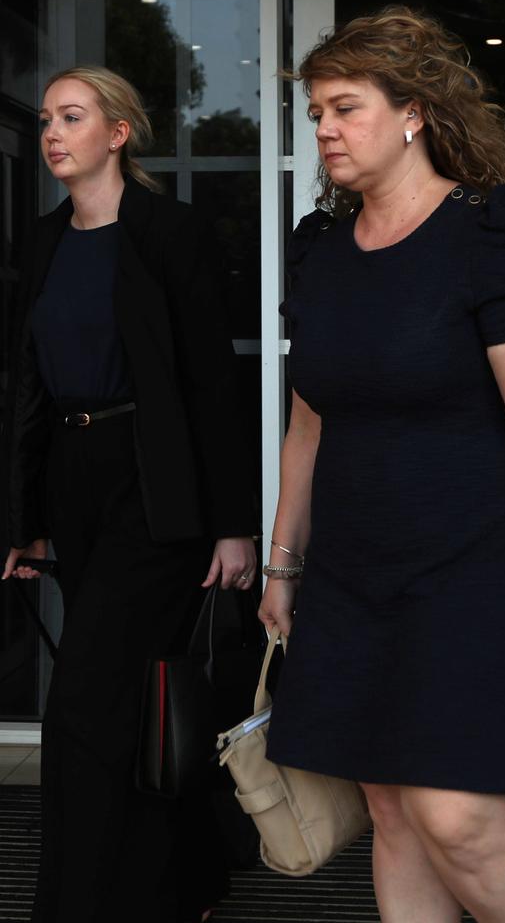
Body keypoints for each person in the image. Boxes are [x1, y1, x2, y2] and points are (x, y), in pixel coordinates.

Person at [258, 7, 505, 923]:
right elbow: (307, 427)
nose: (323, 127)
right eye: (316, 110)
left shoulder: (490, 230)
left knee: (458, 814)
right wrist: (285, 562)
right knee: (390, 810)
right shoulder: (321, 249)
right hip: (352, 572)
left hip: (472, 569)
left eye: (346, 107)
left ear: (414, 114)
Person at [0, 65, 258, 923]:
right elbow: (27, 390)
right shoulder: (39, 241)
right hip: (75, 485)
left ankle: (78, 906)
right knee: (131, 699)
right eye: (44, 119)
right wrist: (25, 522)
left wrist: (233, 526)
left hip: (157, 488)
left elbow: (211, 386)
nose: (51, 133)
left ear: (117, 133)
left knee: (79, 706)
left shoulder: (169, 232)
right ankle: (185, 883)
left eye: (71, 117)